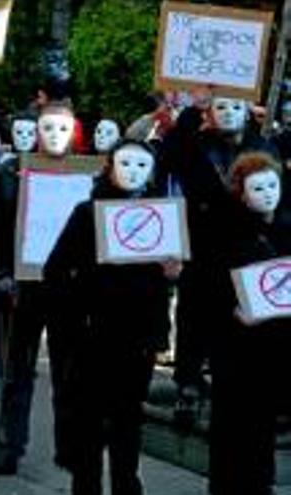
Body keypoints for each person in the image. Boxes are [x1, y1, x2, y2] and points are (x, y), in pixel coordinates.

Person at [44, 139, 178, 495]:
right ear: (110, 166)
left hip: (139, 339)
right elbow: (54, 271)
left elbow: (170, 277)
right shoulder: (87, 213)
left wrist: (171, 272)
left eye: (141, 165)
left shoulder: (161, 218)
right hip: (94, 337)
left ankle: (126, 486)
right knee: (89, 422)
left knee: (128, 420)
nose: (133, 172)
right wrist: (89, 287)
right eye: (126, 163)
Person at [162, 96, 278, 424]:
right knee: (195, 311)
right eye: (221, 107)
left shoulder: (263, 146)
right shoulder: (195, 144)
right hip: (204, 241)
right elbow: (168, 159)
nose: (228, 114)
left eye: (236, 107)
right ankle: (188, 381)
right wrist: (187, 115)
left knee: (244, 319)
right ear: (209, 113)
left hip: (249, 244)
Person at [0, 104, 79, 475]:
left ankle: (69, 448)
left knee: (68, 373)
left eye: (63, 128)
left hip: (69, 291)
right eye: (48, 127)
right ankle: (8, 447)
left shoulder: (87, 174)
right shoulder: (10, 172)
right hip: (21, 289)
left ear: (73, 132)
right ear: (37, 130)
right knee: (16, 372)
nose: (55, 134)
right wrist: (4, 273)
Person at [208, 152, 291, 495]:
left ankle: (260, 484)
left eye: (273, 185)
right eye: (258, 188)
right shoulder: (225, 233)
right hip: (237, 348)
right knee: (233, 424)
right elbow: (208, 288)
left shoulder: (286, 229)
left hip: (278, 345)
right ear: (241, 192)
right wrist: (231, 311)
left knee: (264, 425)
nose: (268, 193)